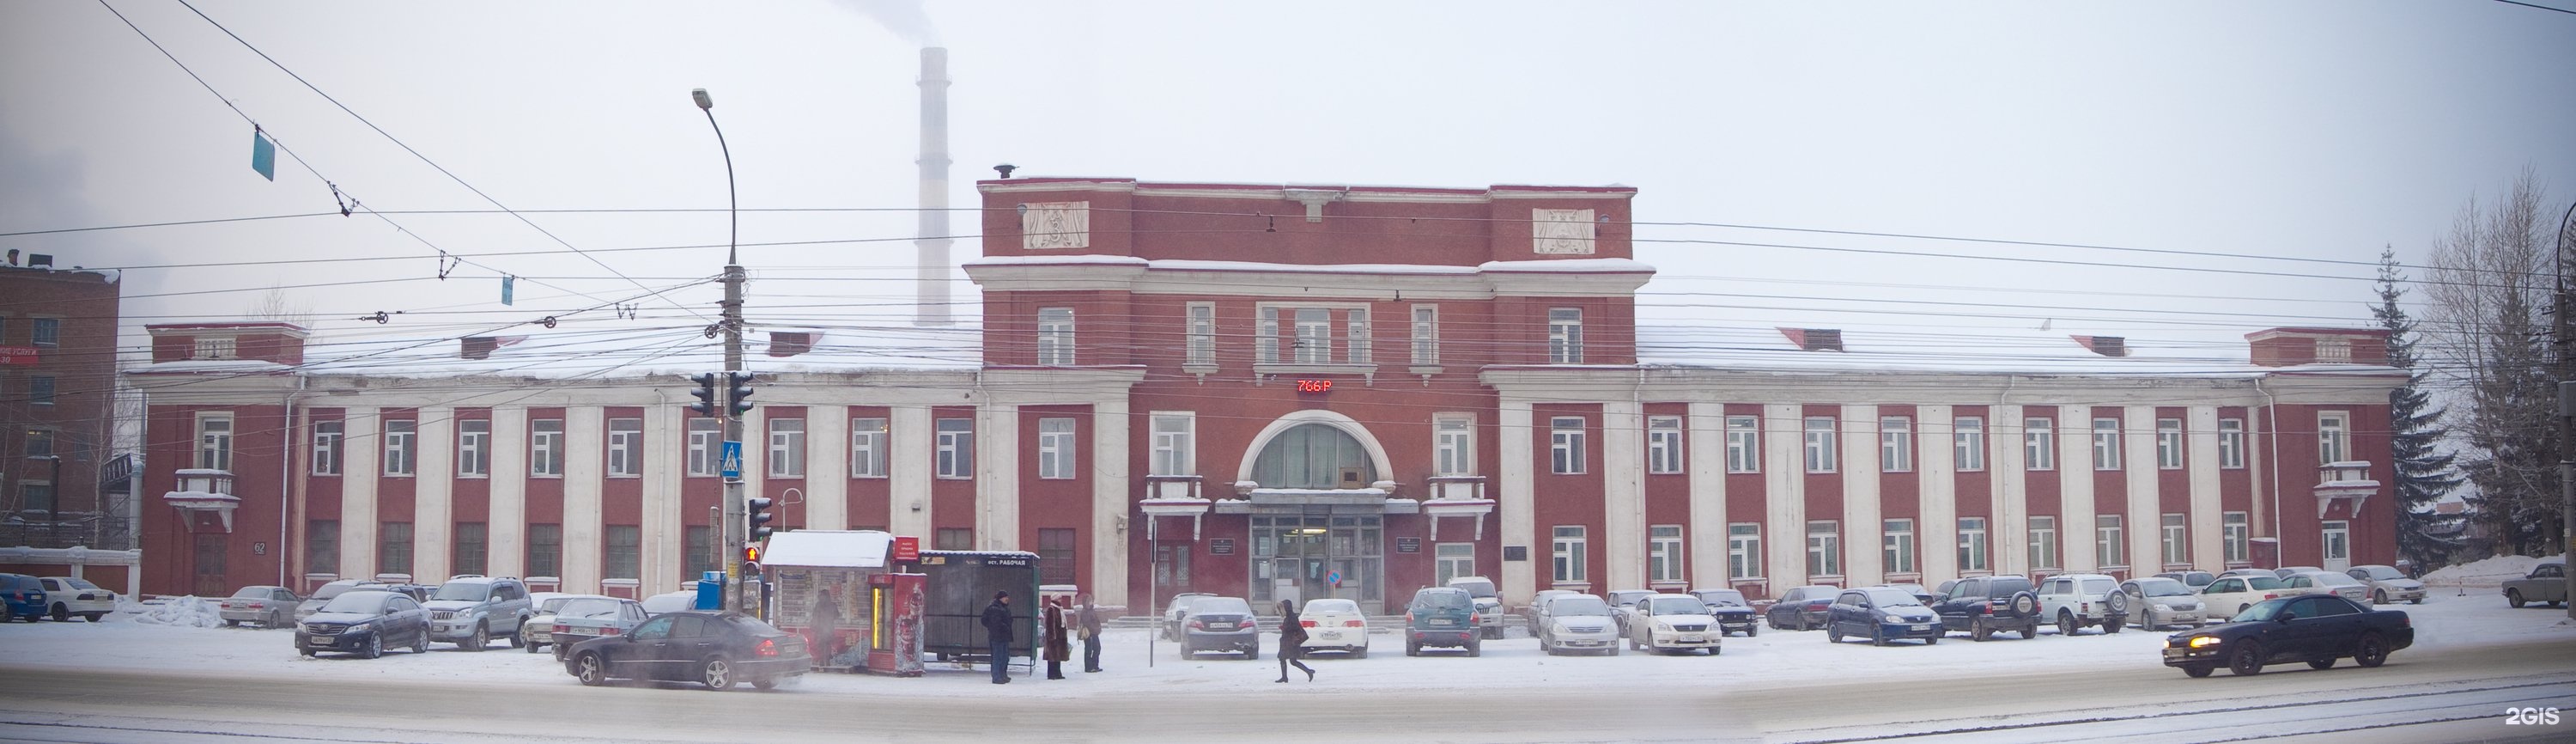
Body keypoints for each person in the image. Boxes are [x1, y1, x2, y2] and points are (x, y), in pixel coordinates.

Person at [1275, 599, 1315, 683]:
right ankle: (1285, 677)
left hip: (1291, 643)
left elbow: (1295, 628)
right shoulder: (1289, 617)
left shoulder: (1292, 617)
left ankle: (1309, 672)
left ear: (1287, 608)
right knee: (1283, 659)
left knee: (1292, 661)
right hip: (1287, 641)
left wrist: (1285, 628)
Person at [981, 590, 1014, 684]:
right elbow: (992, 622)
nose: (1007, 599)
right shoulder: (994, 608)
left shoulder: (1004, 608)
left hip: (1004, 636)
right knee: (998, 657)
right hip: (997, 636)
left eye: (1007, 597)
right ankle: (996, 677)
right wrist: (996, 627)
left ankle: (1002, 675)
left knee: (1005, 657)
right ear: (1000, 598)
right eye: (1005, 597)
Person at [1042, 596, 1072, 680]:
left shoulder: (1059, 609)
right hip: (1054, 637)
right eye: (1059, 599)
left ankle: (1058, 673)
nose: (1061, 600)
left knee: (1058, 655)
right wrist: (1052, 637)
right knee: (1052, 656)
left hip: (1060, 637)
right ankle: (1051, 674)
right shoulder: (1051, 609)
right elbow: (1050, 624)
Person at [1077, 592, 1103, 673]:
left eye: (1091, 600)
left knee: (1097, 648)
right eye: (1089, 601)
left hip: (1094, 633)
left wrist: (1098, 627)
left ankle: (1095, 665)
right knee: (1089, 649)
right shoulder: (1085, 611)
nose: (1091, 602)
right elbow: (1087, 623)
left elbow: (1096, 620)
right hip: (1089, 633)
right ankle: (1089, 667)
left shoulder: (1092, 610)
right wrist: (1095, 629)